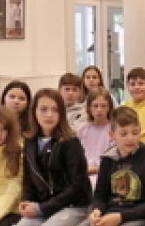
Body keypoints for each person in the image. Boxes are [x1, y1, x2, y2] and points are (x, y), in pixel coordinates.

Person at [16, 89, 92, 226]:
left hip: (73, 205)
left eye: (55, 110)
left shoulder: (70, 142)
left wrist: (42, 208)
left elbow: (78, 185)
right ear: (34, 111)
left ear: (61, 113)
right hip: (44, 205)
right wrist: (27, 201)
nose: (49, 115)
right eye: (43, 109)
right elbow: (28, 179)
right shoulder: (29, 141)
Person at [81, 107, 145, 226]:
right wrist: (96, 210)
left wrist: (121, 217)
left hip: (139, 218)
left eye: (135, 133)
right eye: (123, 134)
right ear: (112, 135)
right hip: (110, 214)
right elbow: (100, 196)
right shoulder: (107, 160)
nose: (130, 138)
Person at [77, 89, 114, 178]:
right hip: (83, 173)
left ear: (109, 107)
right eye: (95, 106)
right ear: (89, 108)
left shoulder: (114, 129)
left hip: (104, 174)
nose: (99, 110)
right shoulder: (82, 129)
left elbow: (113, 160)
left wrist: (94, 170)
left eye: (103, 106)